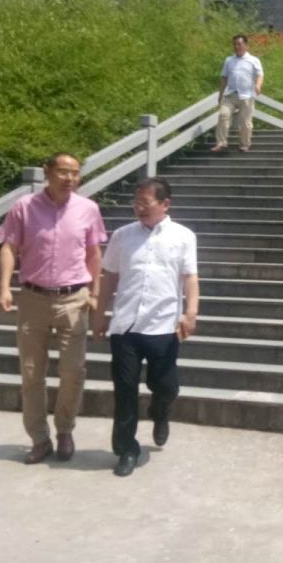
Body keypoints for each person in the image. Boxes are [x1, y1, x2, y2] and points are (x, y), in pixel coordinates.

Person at [0, 152, 107, 464]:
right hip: (33, 298)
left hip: (73, 298)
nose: (70, 178)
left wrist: (95, 293)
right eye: (63, 171)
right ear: (47, 172)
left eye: (75, 172)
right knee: (32, 373)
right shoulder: (24, 206)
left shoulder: (88, 209)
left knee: (73, 371)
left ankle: (65, 430)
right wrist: (4, 287)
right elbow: (9, 247)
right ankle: (39, 439)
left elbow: (94, 253)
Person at [93, 177, 199, 478]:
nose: (139, 207)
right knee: (124, 390)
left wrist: (191, 312)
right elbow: (109, 277)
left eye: (145, 203)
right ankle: (126, 449)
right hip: (125, 326)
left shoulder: (183, 236)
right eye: (136, 202)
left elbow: (190, 277)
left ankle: (160, 411)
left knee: (166, 386)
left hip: (163, 325)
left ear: (165, 204)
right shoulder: (122, 236)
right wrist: (99, 314)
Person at [212, 34, 264, 153]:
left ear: (246, 45)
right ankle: (221, 143)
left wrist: (258, 85)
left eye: (239, 44)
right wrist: (220, 95)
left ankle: (244, 144)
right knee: (223, 115)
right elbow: (224, 78)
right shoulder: (229, 60)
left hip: (247, 95)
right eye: (235, 44)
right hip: (230, 95)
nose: (237, 46)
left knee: (245, 122)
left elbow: (260, 75)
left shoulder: (254, 60)